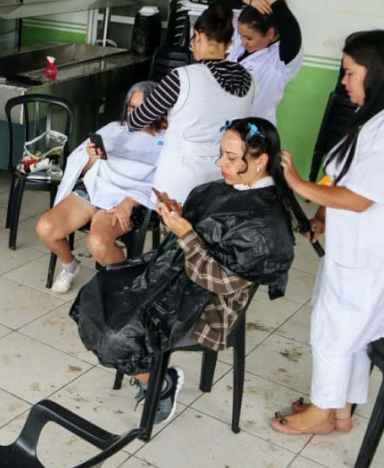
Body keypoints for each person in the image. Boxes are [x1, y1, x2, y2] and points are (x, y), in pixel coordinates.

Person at [72, 117, 299, 425]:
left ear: (261, 160)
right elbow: (189, 242)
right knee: (96, 294)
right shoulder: (214, 189)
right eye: (221, 152)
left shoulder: (268, 225)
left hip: (207, 304)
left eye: (231, 158)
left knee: (116, 334)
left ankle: (158, 382)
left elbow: (221, 282)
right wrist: (175, 218)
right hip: (172, 276)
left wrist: (186, 234)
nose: (220, 162)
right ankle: (147, 373)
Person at [271, 30, 384, 436]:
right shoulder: (369, 116)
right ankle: (341, 412)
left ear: (376, 74)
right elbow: (340, 175)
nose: (343, 81)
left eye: (350, 73)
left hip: (367, 255)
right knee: (352, 336)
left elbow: (358, 198)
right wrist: (320, 213)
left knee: (334, 334)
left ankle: (321, 412)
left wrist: (299, 185)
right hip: (350, 248)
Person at [37, 81, 165, 293]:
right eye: (132, 107)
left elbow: (166, 181)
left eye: (143, 108)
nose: (136, 113)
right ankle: (70, 266)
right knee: (46, 227)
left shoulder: (168, 139)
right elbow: (85, 170)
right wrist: (91, 157)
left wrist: (130, 201)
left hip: (131, 197)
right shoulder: (115, 129)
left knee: (98, 242)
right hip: (96, 188)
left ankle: (127, 291)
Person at [127, 3, 255, 203]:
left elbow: (136, 120)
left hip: (182, 177)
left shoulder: (183, 77)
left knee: (177, 230)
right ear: (229, 44)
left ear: (199, 35)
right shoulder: (248, 79)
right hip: (224, 174)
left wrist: (163, 119)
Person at [218, 0, 304, 124]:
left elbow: (291, 31)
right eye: (241, 36)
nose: (243, 42)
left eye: (249, 38)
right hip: (225, 126)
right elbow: (220, 4)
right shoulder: (241, 45)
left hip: (255, 131)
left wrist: (276, 1)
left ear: (270, 34)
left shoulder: (280, 58)